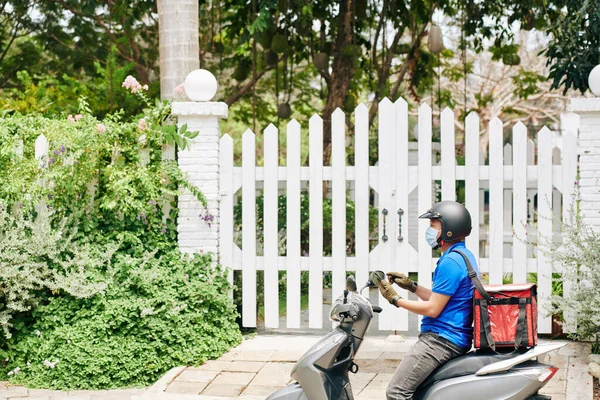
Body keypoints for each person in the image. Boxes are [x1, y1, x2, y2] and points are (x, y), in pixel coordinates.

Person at [377, 200, 479, 400]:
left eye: (433, 226)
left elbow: (433, 309)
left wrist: (395, 299)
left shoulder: (450, 261)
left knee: (396, 392)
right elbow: (441, 299)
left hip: (441, 340)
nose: (429, 231)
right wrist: (411, 286)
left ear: (449, 229)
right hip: (451, 336)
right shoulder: (462, 255)